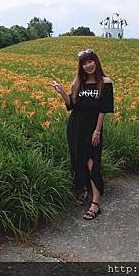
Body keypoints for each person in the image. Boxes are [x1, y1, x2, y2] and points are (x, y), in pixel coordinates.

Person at [50, 49, 114, 220]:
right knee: (79, 162)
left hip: (93, 130)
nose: (88, 65)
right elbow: (72, 105)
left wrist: (97, 131)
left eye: (90, 61)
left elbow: (104, 109)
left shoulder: (105, 82)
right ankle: (84, 190)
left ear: (96, 61)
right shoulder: (79, 82)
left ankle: (95, 203)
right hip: (75, 128)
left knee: (93, 163)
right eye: (84, 63)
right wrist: (63, 93)